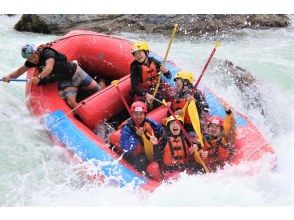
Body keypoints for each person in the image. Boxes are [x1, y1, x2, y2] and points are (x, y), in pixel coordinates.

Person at [1, 43, 100, 109]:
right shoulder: (31, 61)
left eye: (33, 57)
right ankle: (87, 114)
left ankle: (102, 82)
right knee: (71, 102)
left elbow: (49, 68)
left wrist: (38, 77)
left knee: (98, 90)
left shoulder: (48, 53)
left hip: (74, 72)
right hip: (64, 81)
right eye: (29, 59)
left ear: (37, 52)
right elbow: (19, 71)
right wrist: (8, 77)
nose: (32, 60)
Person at [120, 101, 166, 178]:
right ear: (132, 114)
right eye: (136, 114)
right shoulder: (127, 128)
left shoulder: (150, 123)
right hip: (136, 156)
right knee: (141, 162)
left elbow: (162, 132)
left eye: (141, 114)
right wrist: (136, 136)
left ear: (144, 114)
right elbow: (125, 148)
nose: (138, 117)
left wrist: (158, 134)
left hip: (150, 152)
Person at [129, 41, 174, 108]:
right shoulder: (134, 67)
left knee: (170, 95)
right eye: (135, 54)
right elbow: (134, 86)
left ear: (146, 52)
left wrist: (166, 71)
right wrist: (146, 95)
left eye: (139, 52)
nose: (137, 56)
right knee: (145, 105)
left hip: (157, 89)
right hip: (143, 92)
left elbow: (169, 76)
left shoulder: (155, 62)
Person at [170, 70, 209, 134]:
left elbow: (206, 109)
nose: (176, 82)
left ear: (186, 82)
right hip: (180, 127)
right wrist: (175, 113)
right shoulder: (176, 95)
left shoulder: (197, 93)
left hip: (194, 128)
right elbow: (170, 112)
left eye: (178, 80)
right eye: (175, 81)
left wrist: (195, 102)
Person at [202, 106, 236, 172]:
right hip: (209, 170)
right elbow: (196, 153)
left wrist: (228, 112)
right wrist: (201, 155)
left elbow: (230, 123)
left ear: (220, 130)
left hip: (224, 169)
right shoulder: (203, 140)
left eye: (216, 127)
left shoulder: (224, 137)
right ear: (208, 128)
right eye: (211, 126)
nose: (213, 129)